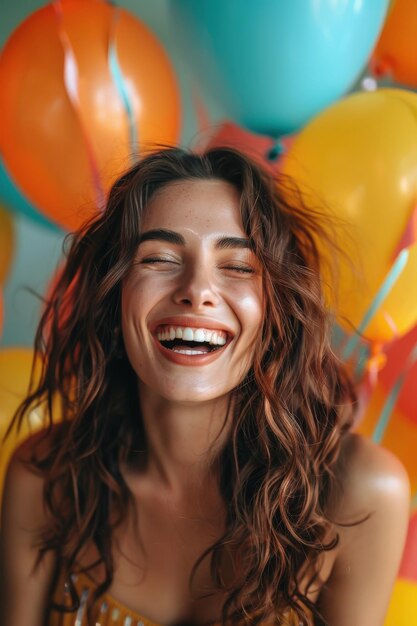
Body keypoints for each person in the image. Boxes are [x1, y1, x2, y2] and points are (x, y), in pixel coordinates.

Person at [0, 146, 411, 626]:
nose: (197, 289)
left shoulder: (357, 492)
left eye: (237, 266)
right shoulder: (46, 478)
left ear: (277, 311)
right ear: (113, 297)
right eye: (159, 258)